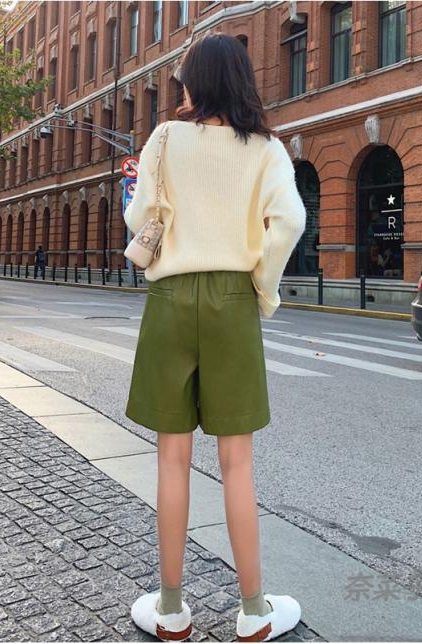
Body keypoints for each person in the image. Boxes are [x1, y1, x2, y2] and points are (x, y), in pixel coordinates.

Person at [123, 32, 305, 642]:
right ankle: (254, 612)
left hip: (171, 299)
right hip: (231, 299)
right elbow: (290, 220)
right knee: (238, 462)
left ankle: (171, 609)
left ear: (194, 83)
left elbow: (139, 215)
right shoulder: (265, 148)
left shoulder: (164, 138)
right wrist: (262, 285)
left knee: (171, 457)